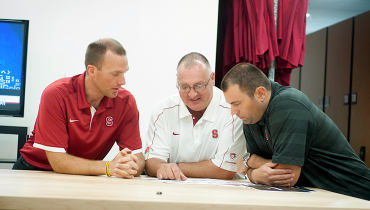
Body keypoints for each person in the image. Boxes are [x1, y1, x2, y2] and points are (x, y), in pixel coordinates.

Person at [221, 62, 370, 201]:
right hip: (321, 198)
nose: (233, 112)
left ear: (260, 94)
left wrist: (249, 161)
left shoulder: (288, 105)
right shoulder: (251, 117)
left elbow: (287, 176)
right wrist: (253, 172)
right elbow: (257, 172)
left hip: (354, 196)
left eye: (237, 103)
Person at [13, 38, 145, 179]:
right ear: (92, 70)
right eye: (115, 74)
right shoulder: (56, 94)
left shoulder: (126, 102)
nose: (123, 81)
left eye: (124, 73)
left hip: (85, 173)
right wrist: (108, 166)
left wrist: (128, 166)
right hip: (34, 170)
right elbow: (58, 162)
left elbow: (138, 159)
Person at [145, 52, 246, 180]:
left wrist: (173, 167)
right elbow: (152, 162)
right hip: (174, 193)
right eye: (184, 87)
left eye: (199, 86)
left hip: (221, 195)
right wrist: (161, 166)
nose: (192, 94)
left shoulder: (231, 110)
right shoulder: (163, 110)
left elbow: (225, 170)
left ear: (213, 78)